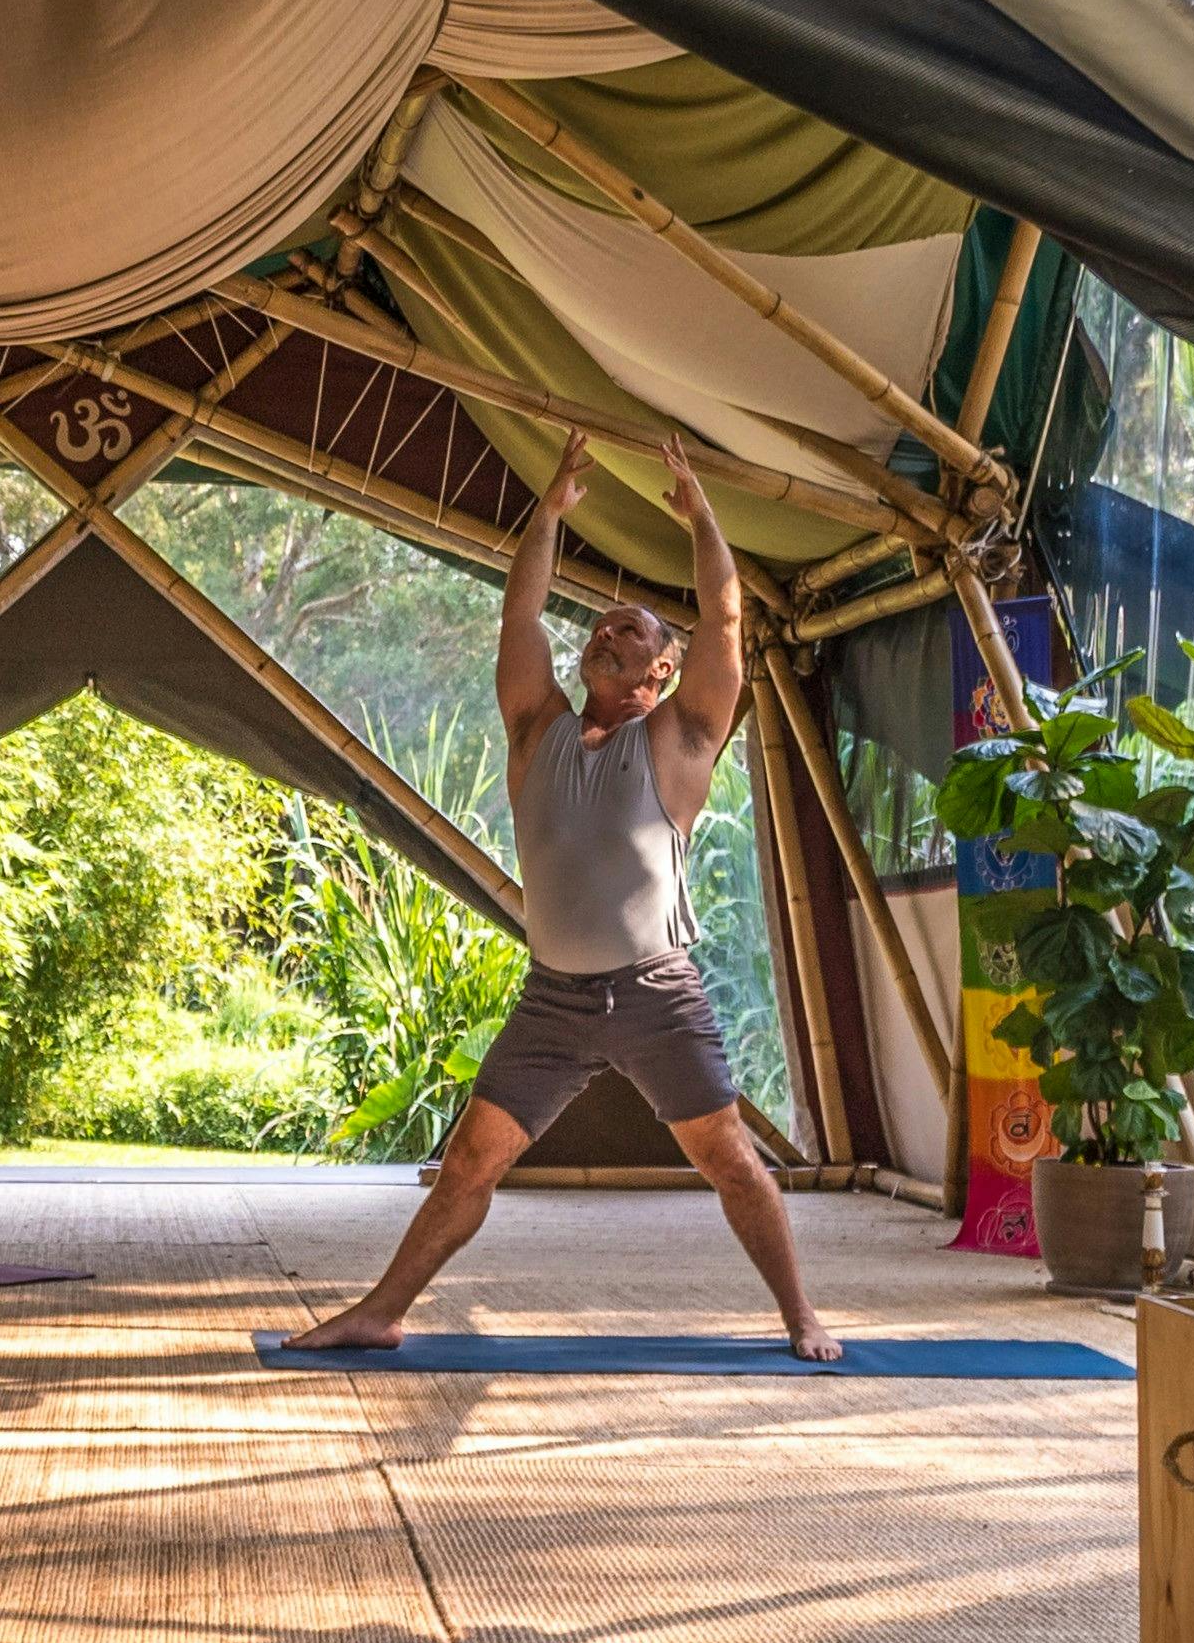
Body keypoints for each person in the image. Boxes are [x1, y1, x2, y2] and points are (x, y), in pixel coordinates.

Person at [289, 432, 841, 1362]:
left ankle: (801, 1316)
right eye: (602, 624)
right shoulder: (535, 728)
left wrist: (702, 515)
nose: (608, 633)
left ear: (661, 672)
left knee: (730, 1162)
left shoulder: (682, 738)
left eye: (631, 629)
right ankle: (381, 1310)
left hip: (656, 996)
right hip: (553, 999)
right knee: (471, 1160)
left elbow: (725, 624)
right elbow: (521, 618)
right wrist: (545, 514)